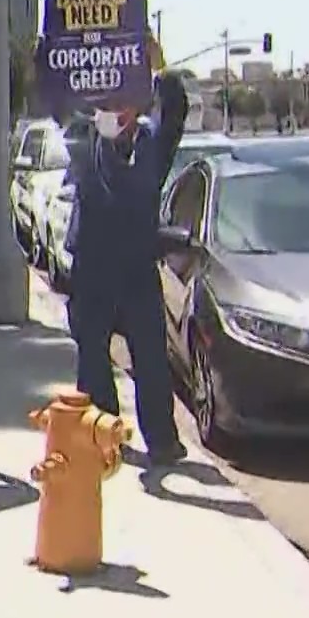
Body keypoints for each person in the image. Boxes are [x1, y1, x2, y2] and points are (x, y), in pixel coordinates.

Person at [63, 71, 190, 466]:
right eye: (108, 104)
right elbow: (58, 96)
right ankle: (105, 433)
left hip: (137, 267)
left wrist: (159, 69)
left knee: (151, 358)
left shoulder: (152, 145)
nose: (115, 112)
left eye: (123, 103)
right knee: (93, 356)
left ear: (138, 107)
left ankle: (162, 442)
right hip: (92, 268)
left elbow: (175, 113)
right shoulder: (85, 140)